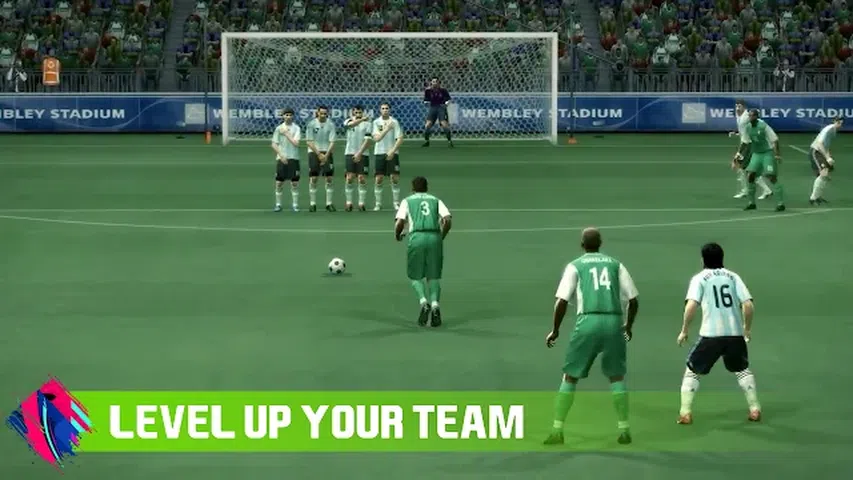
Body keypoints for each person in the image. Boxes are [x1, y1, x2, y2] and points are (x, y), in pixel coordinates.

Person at [544, 228, 639, 446]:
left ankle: (557, 430)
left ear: (582, 244)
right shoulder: (616, 264)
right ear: (601, 243)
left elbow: (561, 301)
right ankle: (624, 430)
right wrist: (628, 325)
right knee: (617, 376)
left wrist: (555, 329)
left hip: (587, 322)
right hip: (614, 322)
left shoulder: (575, 266)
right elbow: (633, 300)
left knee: (570, 376)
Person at [676, 242, 761, 424]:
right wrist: (746, 329)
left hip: (710, 335)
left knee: (692, 371)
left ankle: (685, 413)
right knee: (742, 370)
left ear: (703, 260)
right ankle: (754, 409)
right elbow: (748, 305)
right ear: (722, 258)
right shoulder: (733, 277)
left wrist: (684, 330)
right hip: (735, 335)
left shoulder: (700, 278)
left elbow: (691, 305)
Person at [394, 177, 452, 327]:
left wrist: (398, 235)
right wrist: (442, 235)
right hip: (434, 238)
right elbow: (447, 220)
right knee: (434, 276)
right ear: (427, 187)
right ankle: (435, 306)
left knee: (415, 275)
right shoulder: (436, 200)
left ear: (412, 188)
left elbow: (400, 222)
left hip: (417, 238)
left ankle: (423, 302)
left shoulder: (407, 201)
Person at [743, 110, 785, 212]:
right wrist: (739, 155)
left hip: (767, 153)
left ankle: (781, 204)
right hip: (756, 154)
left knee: (771, 177)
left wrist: (777, 154)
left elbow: (775, 140)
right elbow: (745, 141)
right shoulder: (748, 127)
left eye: (752, 116)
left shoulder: (764, 126)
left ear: (756, 117)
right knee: (750, 175)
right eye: (749, 115)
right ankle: (751, 203)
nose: (750, 117)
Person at [729, 100, 772, 200]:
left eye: (739, 106)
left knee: (744, 168)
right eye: (736, 106)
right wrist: (736, 133)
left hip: (748, 146)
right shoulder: (739, 116)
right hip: (745, 144)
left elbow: (757, 122)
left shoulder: (746, 117)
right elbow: (744, 130)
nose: (737, 108)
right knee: (743, 169)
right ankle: (757, 190)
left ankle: (759, 190)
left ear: (744, 107)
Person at [372, 103, 404, 211]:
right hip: (379, 152)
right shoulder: (376, 122)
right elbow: (377, 139)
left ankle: (396, 203)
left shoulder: (394, 122)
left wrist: (392, 151)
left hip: (392, 153)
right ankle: (378, 204)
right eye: (383, 108)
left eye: (387, 108)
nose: (385, 110)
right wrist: (387, 129)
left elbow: (400, 138)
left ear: (389, 110)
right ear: (380, 110)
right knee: (379, 178)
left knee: (394, 178)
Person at [305, 105, 337, 212]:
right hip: (314, 152)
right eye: (321, 113)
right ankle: (312, 203)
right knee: (314, 178)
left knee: (329, 178)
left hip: (327, 152)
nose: (323, 115)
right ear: (317, 113)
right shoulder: (311, 124)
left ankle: (329, 203)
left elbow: (332, 141)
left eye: (325, 113)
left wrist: (326, 155)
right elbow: (309, 141)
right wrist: (318, 154)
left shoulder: (331, 124)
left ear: (327, 114)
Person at [342, 105, 373, 212]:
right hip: (349, 152)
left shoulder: (368, 124)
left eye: (360, 112)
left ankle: (361, 203)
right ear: (353, 113)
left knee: (361, 178)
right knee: (349, 177)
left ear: (362, 112)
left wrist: (359, 153)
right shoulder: (348, 121)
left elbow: (367, 140)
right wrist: (362, 120)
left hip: (363, 153)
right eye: (356, 113)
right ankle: (349, 202)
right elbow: (350, 125)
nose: (358, 114)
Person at [271, 108, 301, 212]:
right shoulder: (279, 128)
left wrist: (287, 134)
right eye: (286, 115)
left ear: (293, 116)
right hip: (282, 158)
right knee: (279, 183)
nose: (288, 117)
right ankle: (278, 204)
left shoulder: (297, 128)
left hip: (294, 157)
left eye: (290, 115)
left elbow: (296, 143)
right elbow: (274, 144)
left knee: (294, 183)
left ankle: (295, 205)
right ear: (283, 116)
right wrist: (281, 155)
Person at [808, 116, 843, 205]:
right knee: (823, 174)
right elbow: (820, 144)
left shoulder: (834, 131)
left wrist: (829, 157)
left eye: (841, 123)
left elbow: (826, 146)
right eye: (838, 122)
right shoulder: (829, 129)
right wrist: (827, 158)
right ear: (834, 121)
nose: (840, 125)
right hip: (816, 151)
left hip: (821, 152)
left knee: (824, 174)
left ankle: (818, 197)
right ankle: (813, 198)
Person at [422, 77, 453, 147]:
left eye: (436, 81)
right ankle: (427, 141)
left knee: (444, 124)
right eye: (433, 81)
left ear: (439, 83)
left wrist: (446, 104)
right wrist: (426, 103)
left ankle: (449, 141)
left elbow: (449, 99)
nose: (434, 83)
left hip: (441, 107)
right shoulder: (428, 91)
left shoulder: (443, 90)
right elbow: (425, 100)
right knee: (427, 125)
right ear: (431, 83)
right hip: (432, 107)